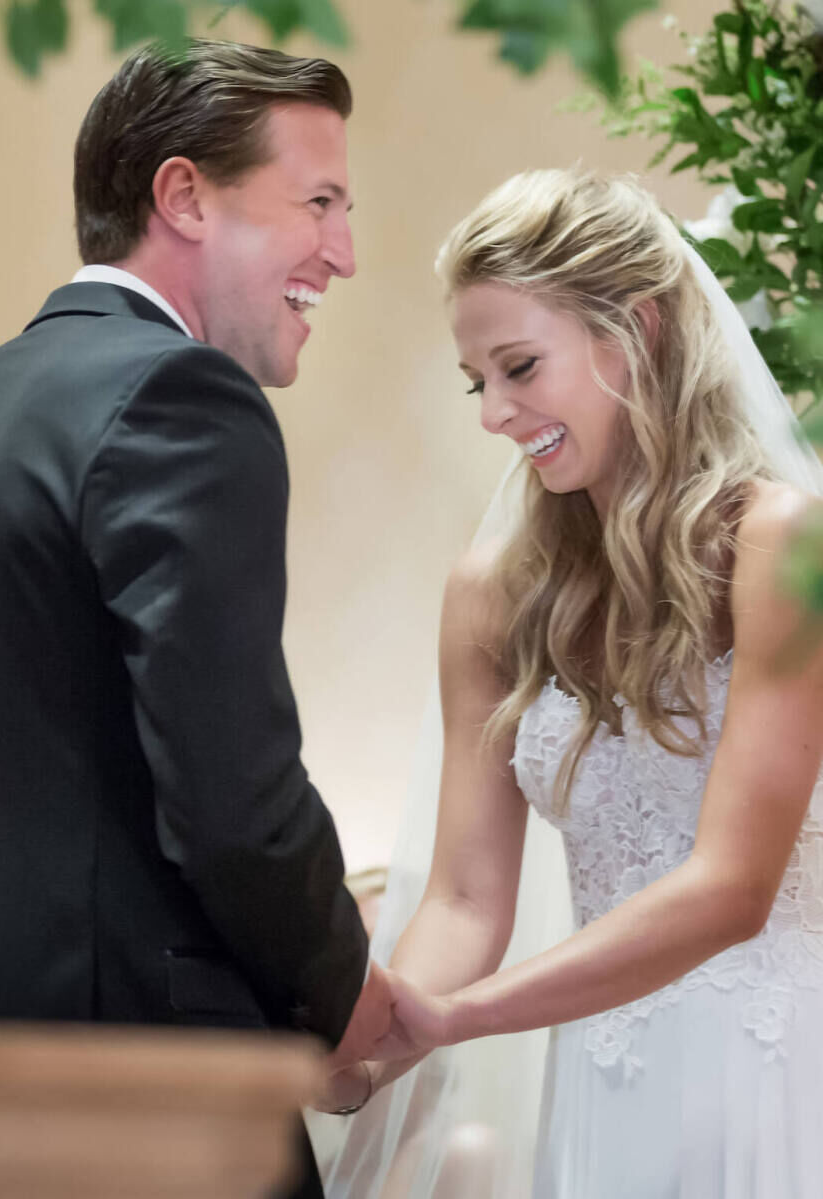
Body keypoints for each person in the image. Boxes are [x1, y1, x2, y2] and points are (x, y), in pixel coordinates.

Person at [317, 168, 823, 1198]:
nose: (495, 413)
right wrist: (370, 1052)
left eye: (519, 366)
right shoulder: (493, 597)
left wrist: (466, 1014)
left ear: (632, 331)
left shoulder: (782, 546)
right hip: (598, 1090)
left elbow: (734, 885)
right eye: (477, 381)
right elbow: (463, 896)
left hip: (772, 1072)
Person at [0, 38, 396, 1199]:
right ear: (186, 196)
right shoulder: (180, 395)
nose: (344, 254)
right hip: (149, 1093)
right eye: (319, 201)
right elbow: (231, 793)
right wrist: (345, 995)